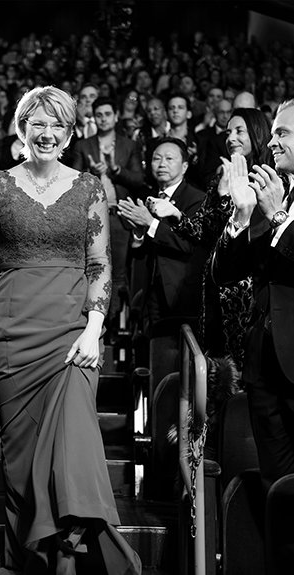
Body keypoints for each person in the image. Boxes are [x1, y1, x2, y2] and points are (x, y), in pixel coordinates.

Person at [0, 86, 141, 575]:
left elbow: (100, 264)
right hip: (12, 331)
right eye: (38, 122)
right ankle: (32, 558)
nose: (47, 132)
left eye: (57, 124)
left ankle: (71, 555)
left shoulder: (89, 188)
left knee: (74, 444)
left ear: (70, 133)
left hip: (73, 332)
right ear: (22, 128)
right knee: (20, 454)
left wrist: (94, 327)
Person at [211, 100, 294, 572]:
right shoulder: (273, 191)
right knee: (275, 490)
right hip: (266, 368)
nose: (273, 142)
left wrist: (278, 216)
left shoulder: (277, 200)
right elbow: (224, 271)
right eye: (274, 132)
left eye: (283, 133)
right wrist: (242, 216)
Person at [149, 109, 272, 367]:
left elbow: (257, 235)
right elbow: (204, 232)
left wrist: (231, 197)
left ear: (257, 134)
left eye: (239, 131)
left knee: (246, 365)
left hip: (249, 290)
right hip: (215, 287)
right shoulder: (221, 176)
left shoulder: (269, 178)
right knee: (215, 369)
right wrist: (175, 215)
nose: (231, 138)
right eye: (228, 132)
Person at [118, 137, 207, 337]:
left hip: (180, 293)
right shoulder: (146, 196)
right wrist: (138, 233)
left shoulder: (197, 199)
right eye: (156, 158)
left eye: (169, 158)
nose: (162, 164)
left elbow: (188, 244)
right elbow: (139, 252)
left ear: (185, 166)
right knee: (148, 346)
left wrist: (150, 223)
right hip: (148, 291)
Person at [71, 96, 144, 338]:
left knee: (118, 276)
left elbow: (139, 180)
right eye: (99, 115)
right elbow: (73, 183)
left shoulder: (129, 145)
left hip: (118, 217)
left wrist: (116, 171)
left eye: (107, 114)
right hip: (90, 218)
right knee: (91, 271)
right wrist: (91, 173)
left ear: (116, 116)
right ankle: (91, 327)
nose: (103, 119)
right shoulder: (83, 146)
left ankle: (112, 329)